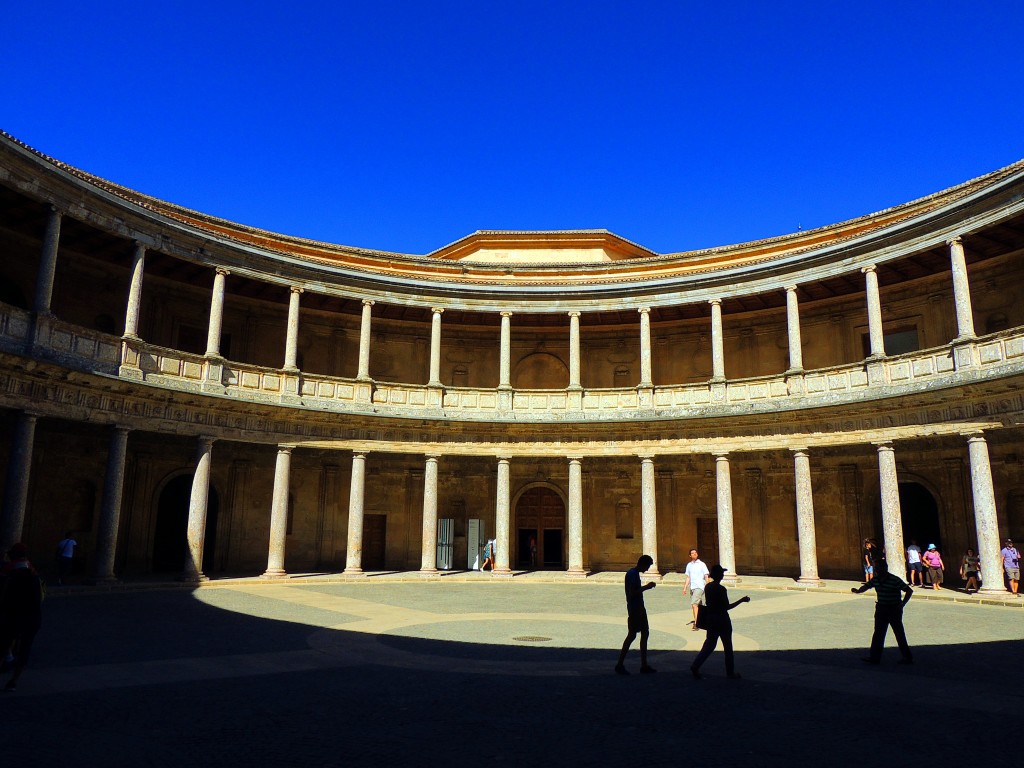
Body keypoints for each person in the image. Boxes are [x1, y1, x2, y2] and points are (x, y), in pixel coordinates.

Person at [690, 564, 750, 680]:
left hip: (711, 618)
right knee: (728, 646)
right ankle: (730, 672)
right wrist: (741, 600)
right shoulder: (721, 589)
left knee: (709, 645)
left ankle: (695, 665)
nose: (723, 575)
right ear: (719, 575)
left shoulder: (708, 587)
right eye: (722, 573)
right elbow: (726, 606)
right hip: (722, 620)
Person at [851, 560, 913, 665]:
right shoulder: (876, 580)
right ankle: (874, 657)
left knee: (899, 633)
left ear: (885, 569)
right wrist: (858, 590)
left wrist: (902, 604)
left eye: (879, 568)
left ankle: (907, 657)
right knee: (878, 633)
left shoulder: (894, 579)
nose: (877, 570)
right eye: (877, 568)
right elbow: (866, 586)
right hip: (881, 608)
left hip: (894, 609)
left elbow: (909, 590)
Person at [0, 543, 44, 691]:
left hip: (14, 617)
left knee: (5, 643)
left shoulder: (10, 577)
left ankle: (8, 658)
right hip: (33, 618)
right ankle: (13, 681)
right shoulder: (35, 577)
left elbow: (4, 599)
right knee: (25, 649)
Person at [615, 554, 657, 674]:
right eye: (648, 566)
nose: (648, 569)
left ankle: (644, 665)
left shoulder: (633, 573)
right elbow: (632, 593)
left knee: (644, 633)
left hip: (638, 608)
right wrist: (647, 587)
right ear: (642, 564)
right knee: (632, 635)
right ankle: (620, 664)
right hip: (635, 609)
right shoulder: (632, 574)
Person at [682, 548, 710, 631]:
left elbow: (706, 576)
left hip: (700, 586)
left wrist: (708, 587)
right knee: (699, 605)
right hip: (692, 587)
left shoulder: (702, 564)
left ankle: (696, 623)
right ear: (690, 555)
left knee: (694, 604)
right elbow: (688, 577)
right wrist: (685, 587)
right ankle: (703, 621)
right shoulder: (689, 565)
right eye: (692, 553)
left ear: (697, 554)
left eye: (695, 553)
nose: (694, 554)